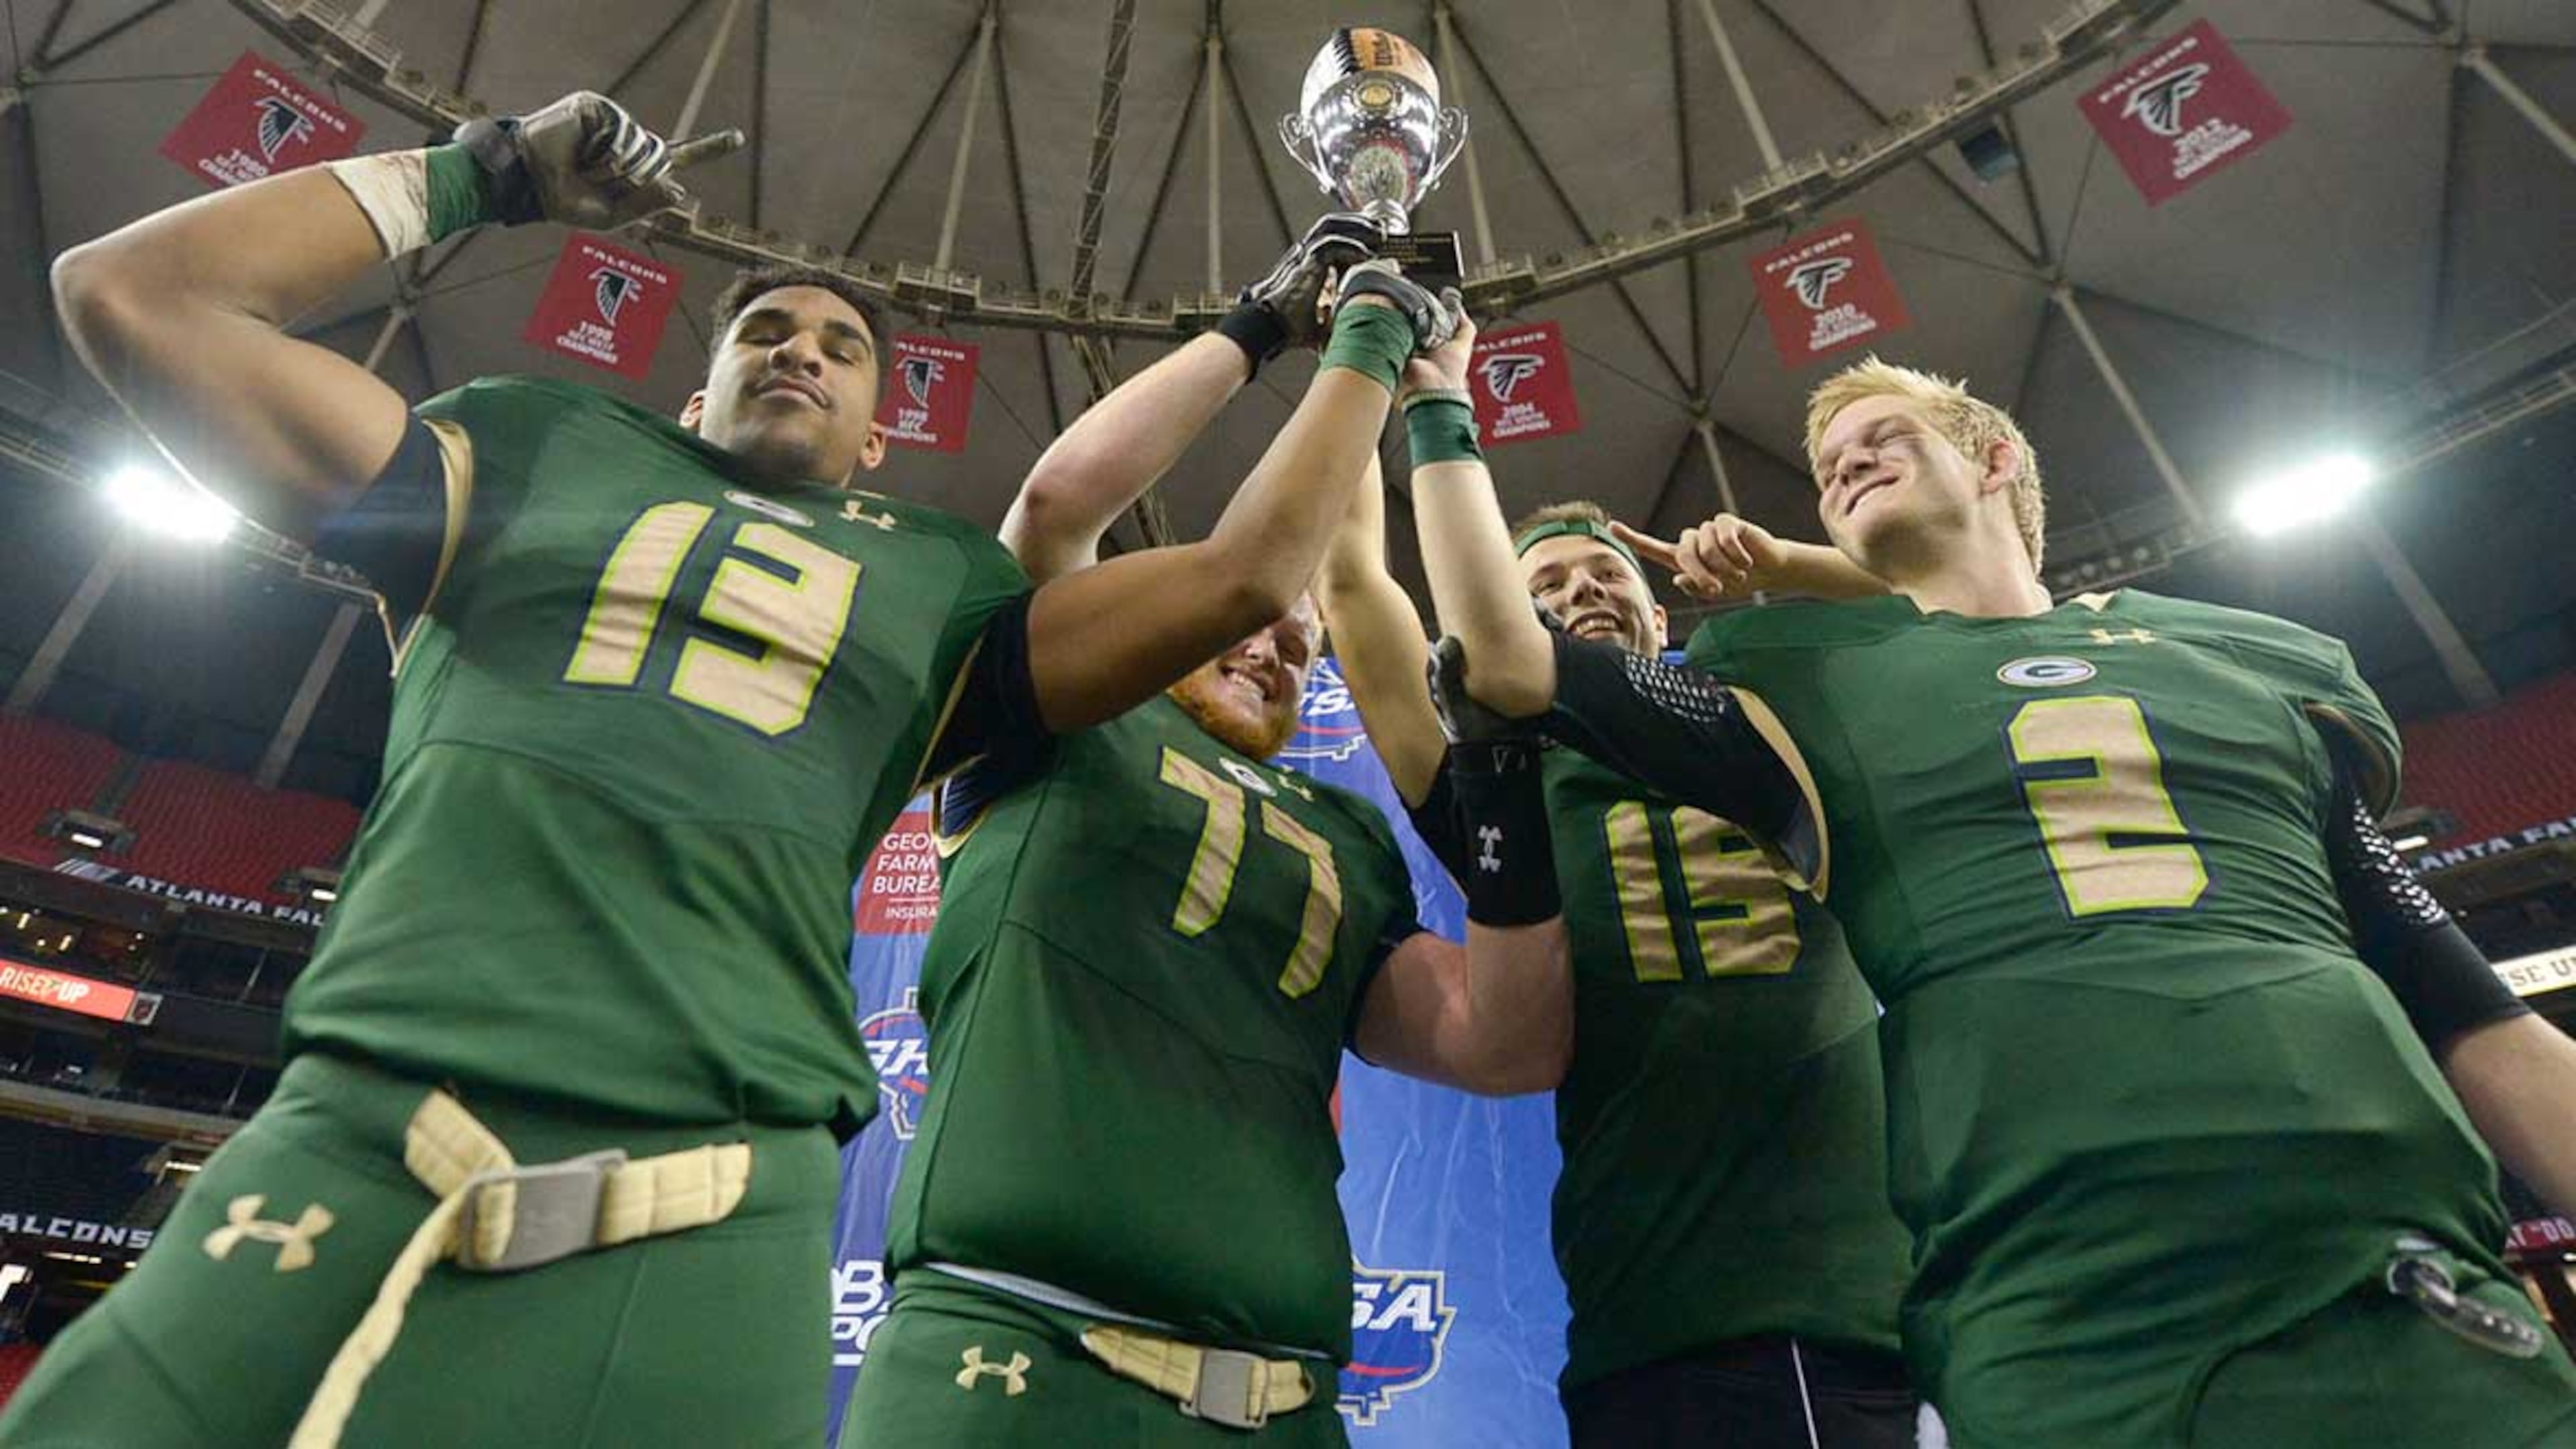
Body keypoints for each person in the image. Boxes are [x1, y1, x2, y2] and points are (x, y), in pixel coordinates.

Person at [5, 94, 1448, 1448]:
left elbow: (1250, 569)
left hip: (728, 1198)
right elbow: (135, 295)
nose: (799, 347)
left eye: (841, 344)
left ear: (884, 438)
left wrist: (1350, 336)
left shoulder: (944, 588)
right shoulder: (528, 445)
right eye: (764, 326)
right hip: (372, 1125)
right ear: (695, 397)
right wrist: (483, 173)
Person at [1405, 354, 2576, 1447]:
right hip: (2060, 1304)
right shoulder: (1807, 694)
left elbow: (2470, 1006)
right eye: (1827, 468)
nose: (1846, 463)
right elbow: (1504, 660)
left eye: (1882, 436)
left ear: (1996, 460)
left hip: (2391, 1262)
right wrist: (1438, 402)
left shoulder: (2238, 663)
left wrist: (1811, 566)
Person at [839, 284, 1574, 1446]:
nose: (1273, 644)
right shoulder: (1061, 712)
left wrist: (1506, 807)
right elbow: (1054, 506)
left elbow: (1506, 1038)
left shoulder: (1348, 834)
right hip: (1011, 1350)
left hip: (1278, 1398)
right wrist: (1258, 330)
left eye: (1298, 642)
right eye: (1247, 622)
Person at [1316, 480, 1917, 1448]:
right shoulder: (1498, 781)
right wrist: (1366, 360)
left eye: (1608, 571)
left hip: (1877, 1298)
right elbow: (1350, 585)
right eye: (1544, 581)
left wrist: (1788, 565)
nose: (1585, 587)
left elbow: (1950, 609)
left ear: (1660, 608)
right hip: (1656, 1310)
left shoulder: (1778, 723)